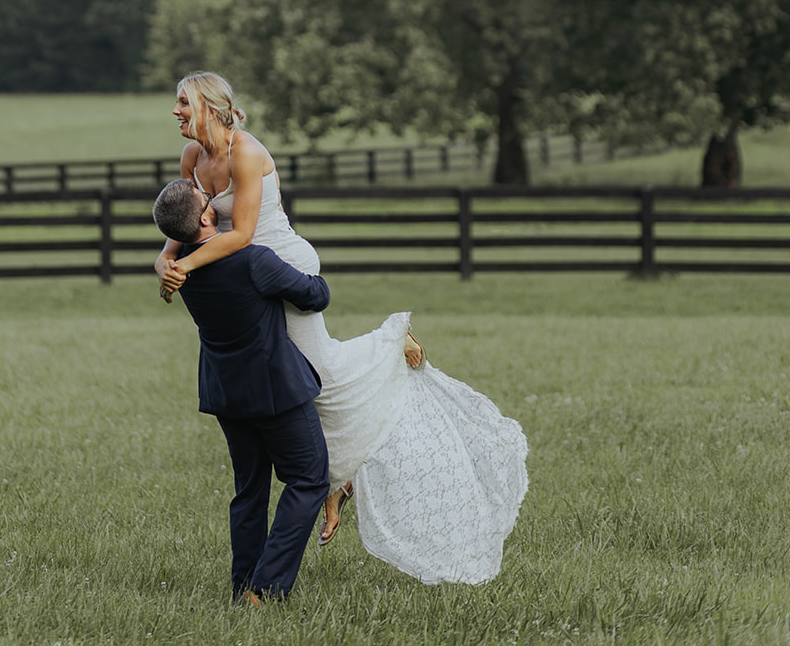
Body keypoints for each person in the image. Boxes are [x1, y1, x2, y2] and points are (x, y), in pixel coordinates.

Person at [156, 71, 529, 585]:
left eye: (182, 102)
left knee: (319, 373)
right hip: (242, 273)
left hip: (276, 266)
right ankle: (332, 482)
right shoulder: (192, 161)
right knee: (295, 388)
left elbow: (241, 234)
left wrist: (190, 269)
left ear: (211, 105)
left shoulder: (245, 153)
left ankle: (391, 348)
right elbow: (173, 242)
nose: (174, 111)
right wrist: (167, 268)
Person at [151, 176, 331, 606]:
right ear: (208, 215)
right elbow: (315, 296)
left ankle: (242, 586)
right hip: (275, 390)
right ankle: (266, 589)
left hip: (227, 393)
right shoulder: (253, 261)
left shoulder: (180, 272)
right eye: (205, 197)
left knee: (249, 491)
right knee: (309, 479)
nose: (212, 197)